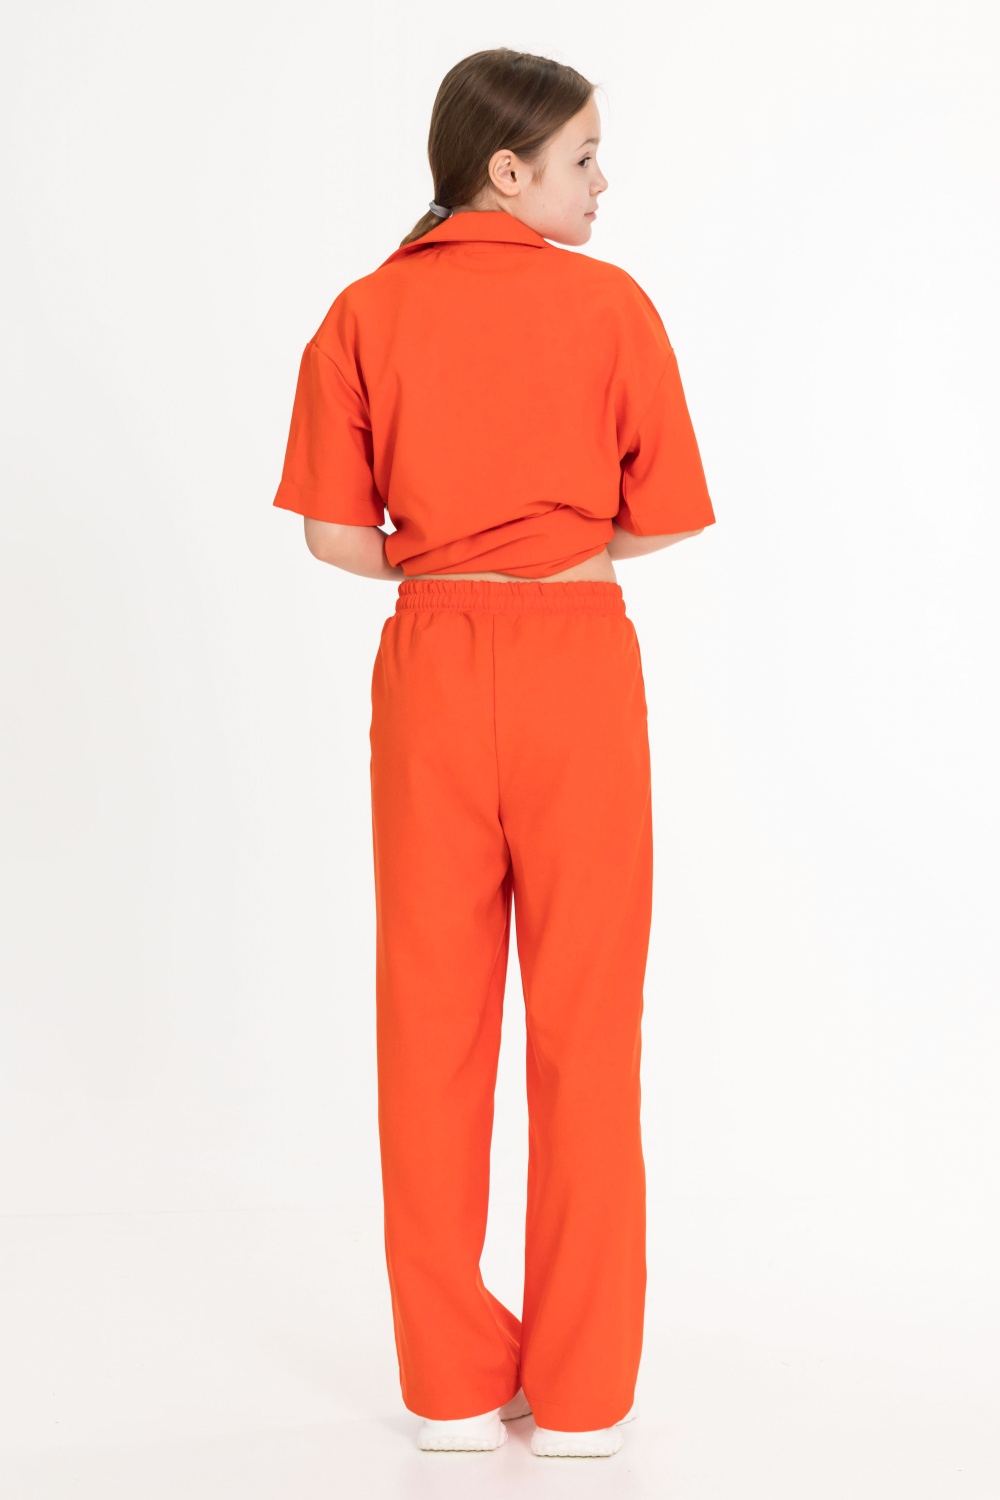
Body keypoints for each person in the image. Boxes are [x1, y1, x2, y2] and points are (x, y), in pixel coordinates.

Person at [272, 47, 716, 1459]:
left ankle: (453, 1388)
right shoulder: (610, 306)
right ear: (507, 169)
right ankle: (581, 1398)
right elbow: (666, 514)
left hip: (432, 668)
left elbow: (335, 538)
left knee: (432, 1024)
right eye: (583, 157)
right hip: (577, 667)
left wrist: (450, 558)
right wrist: (553, 549)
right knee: (586, 1026)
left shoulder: (363, 311)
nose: (603, 181)